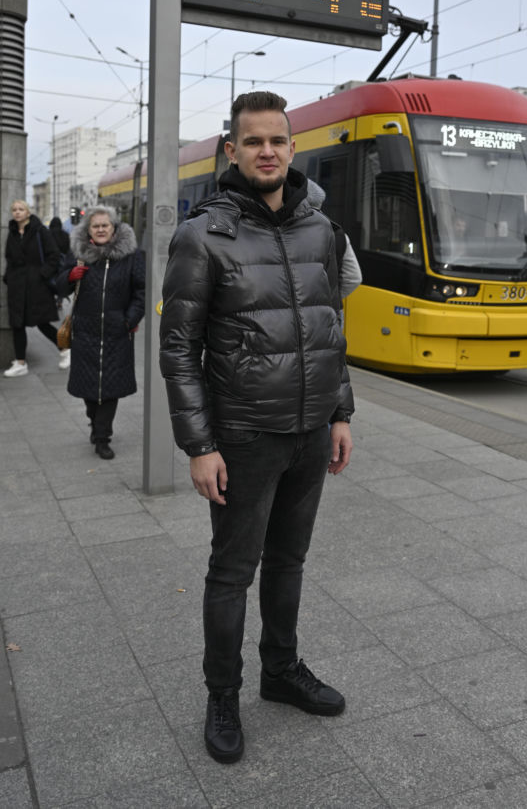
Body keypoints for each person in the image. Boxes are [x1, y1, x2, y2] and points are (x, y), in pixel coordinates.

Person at [160, 90, 354, 765]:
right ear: (232, 150)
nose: (267, 151)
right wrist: (199, 445)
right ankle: (223, 694)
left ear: (292, 148)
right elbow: (178, 349)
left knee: (291, 560)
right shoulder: (202, 234)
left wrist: (340, 412)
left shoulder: (320, 231)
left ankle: (281, 670)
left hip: (308, 430)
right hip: (242, 434)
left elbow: (333, 327)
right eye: (254, 142)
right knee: (230, 572)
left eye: (278, 140)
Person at [57, 205, 145, 460]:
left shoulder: (131, 256)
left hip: (118, 332)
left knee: (110, 387)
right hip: (85, 331)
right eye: (96, 226)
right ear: (89, 230)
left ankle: (102, 437)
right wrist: (70, 276)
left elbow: (141, 291)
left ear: (114, 228)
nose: (101, 229)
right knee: (88, 387)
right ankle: (94, 421)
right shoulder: (77, 254)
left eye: (105, 225)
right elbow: (59, 285)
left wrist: (129, 319)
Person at [3, 199, 69, 376]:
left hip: (37, 286)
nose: (17, 212)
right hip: (17, 286)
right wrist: (8, 277)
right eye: (14, 209)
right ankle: (20, 363)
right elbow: (9, 257)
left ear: (28, 212)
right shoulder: (12, 233)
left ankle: (65, 350)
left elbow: (54, 255)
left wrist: (43, 274)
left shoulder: (40, 231)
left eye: (21, 209)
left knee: (42, 322)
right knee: (17, 324)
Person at [306, 179, 362, 300]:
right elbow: (353, 278)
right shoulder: (338, 233)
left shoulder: (288, 234)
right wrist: (332, 301)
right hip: (331, 313)